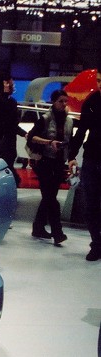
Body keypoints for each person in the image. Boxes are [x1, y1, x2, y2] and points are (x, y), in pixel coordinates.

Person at [26, 90, 73, 246]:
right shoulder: (45, 119)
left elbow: (70, 141)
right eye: (61, 101)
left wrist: (71, 158)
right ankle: (57, 232)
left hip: (59, 162)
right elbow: (31, 136)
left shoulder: (69, 121)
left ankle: (38, 227)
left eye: (66, 101)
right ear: (53, 102)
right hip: (44, 162)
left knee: (49, 197)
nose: (64, 104)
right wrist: (48, 142)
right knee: (51, 199)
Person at [69, 68, 101, 261]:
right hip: (91, 158)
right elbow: (81, 131)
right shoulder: (91, 102)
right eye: (98, 80)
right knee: (90, 205)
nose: (100, 84)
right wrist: (72, 155)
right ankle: (96, 243)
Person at [0, 73, 26, 184]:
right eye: (10, 85)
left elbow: (12, 124)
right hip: (3, 142)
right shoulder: (5, 102)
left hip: (9, 142)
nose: (12, 87)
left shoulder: (11, 102)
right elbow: (10, 123)